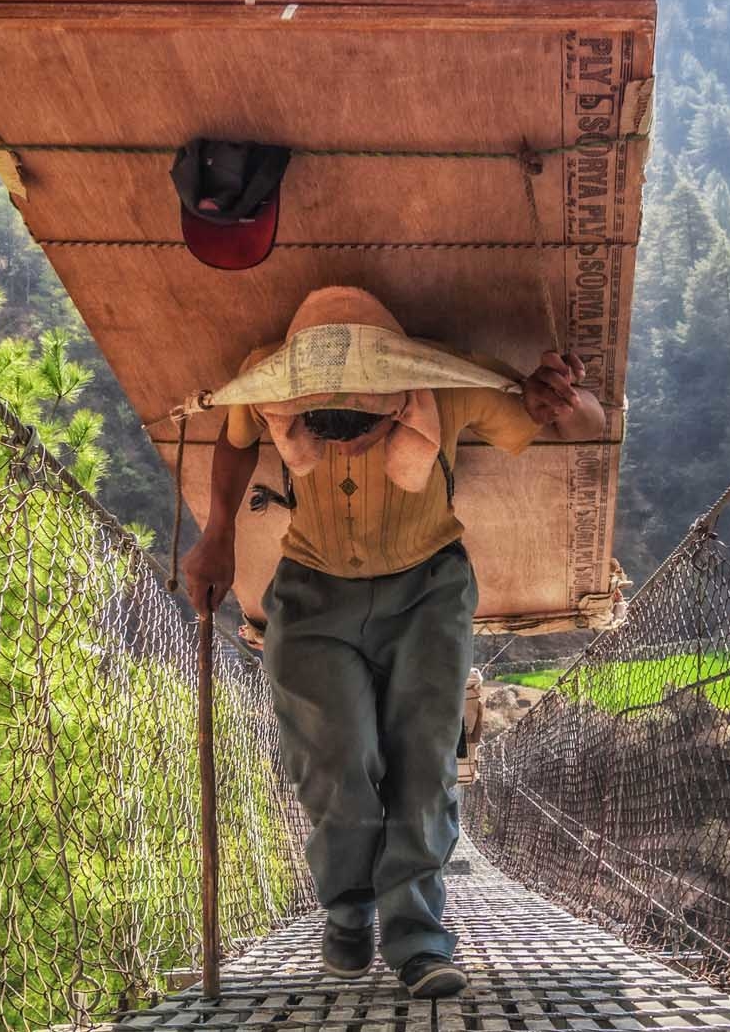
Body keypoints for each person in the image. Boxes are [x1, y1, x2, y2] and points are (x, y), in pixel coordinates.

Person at [183, 286, 604, 998]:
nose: (342, 439)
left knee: (423, 756)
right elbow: (234, 442)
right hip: (313, 593)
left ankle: (417, 938)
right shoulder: (266, 377)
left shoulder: (447, 379)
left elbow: (565, 417)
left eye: (359, 423)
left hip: (428, 591)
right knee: (335, 756)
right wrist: (216, 535)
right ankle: (348, 909)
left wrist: (549, 396)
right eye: (326, 423)